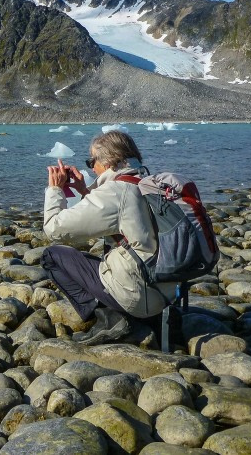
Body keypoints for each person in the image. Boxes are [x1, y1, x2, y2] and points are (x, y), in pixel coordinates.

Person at [40, 130, 176, 345]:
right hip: (164, 290)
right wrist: (84, 190)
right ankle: (139, 315)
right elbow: (117, 216)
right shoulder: (146, 181)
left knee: (52, 256)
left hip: (139, 296)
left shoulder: (116, 191)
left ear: (109, 161)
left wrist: (55, 189)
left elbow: (54, 229)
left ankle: (110, 318)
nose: (91, 168)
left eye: (91, 161)